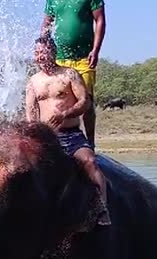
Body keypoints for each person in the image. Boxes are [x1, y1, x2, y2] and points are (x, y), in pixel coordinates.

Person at [25, 35, 110, 226]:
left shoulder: (69, 74)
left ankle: (102, 209)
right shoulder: (33, 82)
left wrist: (66, 114)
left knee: (90, 162)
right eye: (36, 53)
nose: (40, 56)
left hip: (72, 135)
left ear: (53, 52)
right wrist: (34, 134)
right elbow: (30, 114)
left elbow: (84, 102)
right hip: (47, 138)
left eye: (43, 52)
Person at [40, 0, 106, 149]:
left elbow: (100, 20)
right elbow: (46, 24)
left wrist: (95, 50)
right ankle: (56, 141)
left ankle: (90, 142)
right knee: (59, 99)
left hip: (84, 58)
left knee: (86, 100)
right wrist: (44, 50)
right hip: (60, 59)